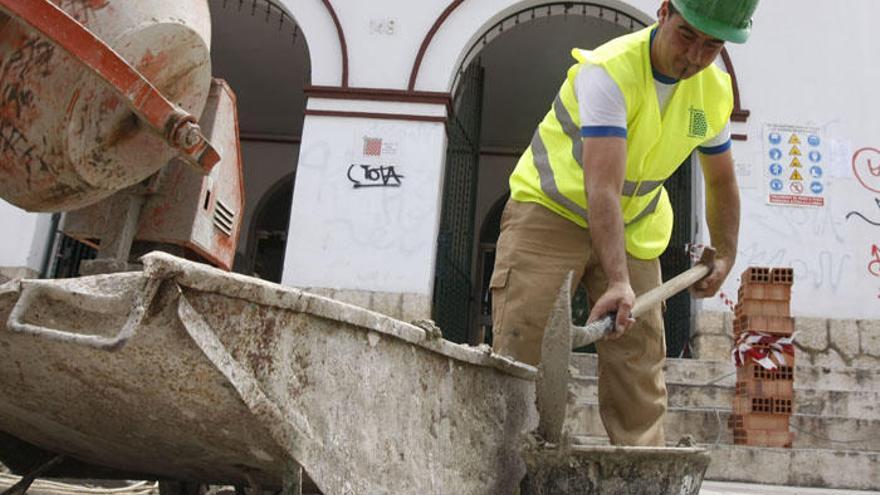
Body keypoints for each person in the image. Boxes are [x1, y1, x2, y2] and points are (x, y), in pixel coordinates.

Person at [489, 0, 759, 446]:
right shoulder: (609, 71)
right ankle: (508, 467)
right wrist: (618, 282)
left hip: (635, 227)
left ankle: (640, 474)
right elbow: (602, 188)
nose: (694, 56)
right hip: (551, 213)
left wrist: (726, 251)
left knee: (639, 360)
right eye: (687, 35)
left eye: (711, 46)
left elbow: (721, 181)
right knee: (522, 350)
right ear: (664, 11)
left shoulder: (712, 91)